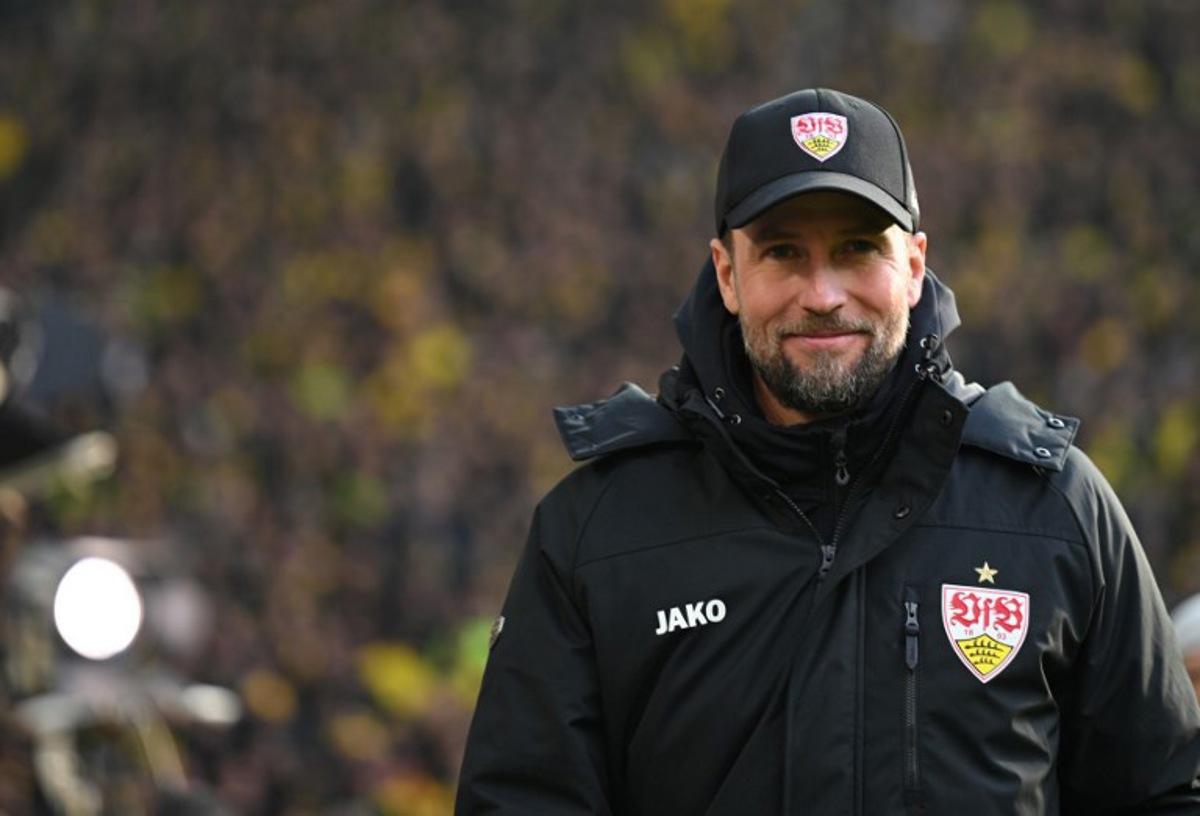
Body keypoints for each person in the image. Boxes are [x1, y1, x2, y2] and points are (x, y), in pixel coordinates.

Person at [455, 88, 1200, 814]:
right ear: (727, 273)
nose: (822, 293)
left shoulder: (1054, 506)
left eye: (856, 249)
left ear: (913, 265)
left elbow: (1162, 793)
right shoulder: (597, 530)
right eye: (782, 252)